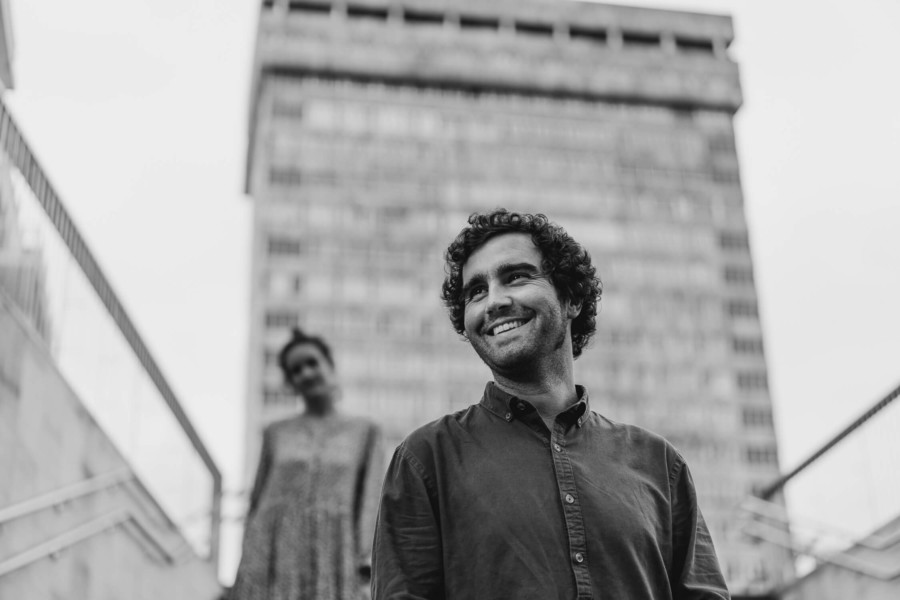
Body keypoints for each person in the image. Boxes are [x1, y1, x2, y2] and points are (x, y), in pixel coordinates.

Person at [372, 209, 729, 599]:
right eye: (476, 291)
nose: (493, 301)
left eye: (516, 277)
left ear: (571, 297)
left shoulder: (660, 463)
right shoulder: (426, 459)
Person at [231, 328, 384, 600]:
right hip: (272, 553)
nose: (306, 373)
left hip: (335, 554)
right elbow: (256, 503)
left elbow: (369, 501)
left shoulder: (366, 432)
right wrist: (245, 565)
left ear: (329, 365)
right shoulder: (275, 433)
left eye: (312, 363)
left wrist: (365, 562)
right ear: (291, 381)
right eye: (296, 370)